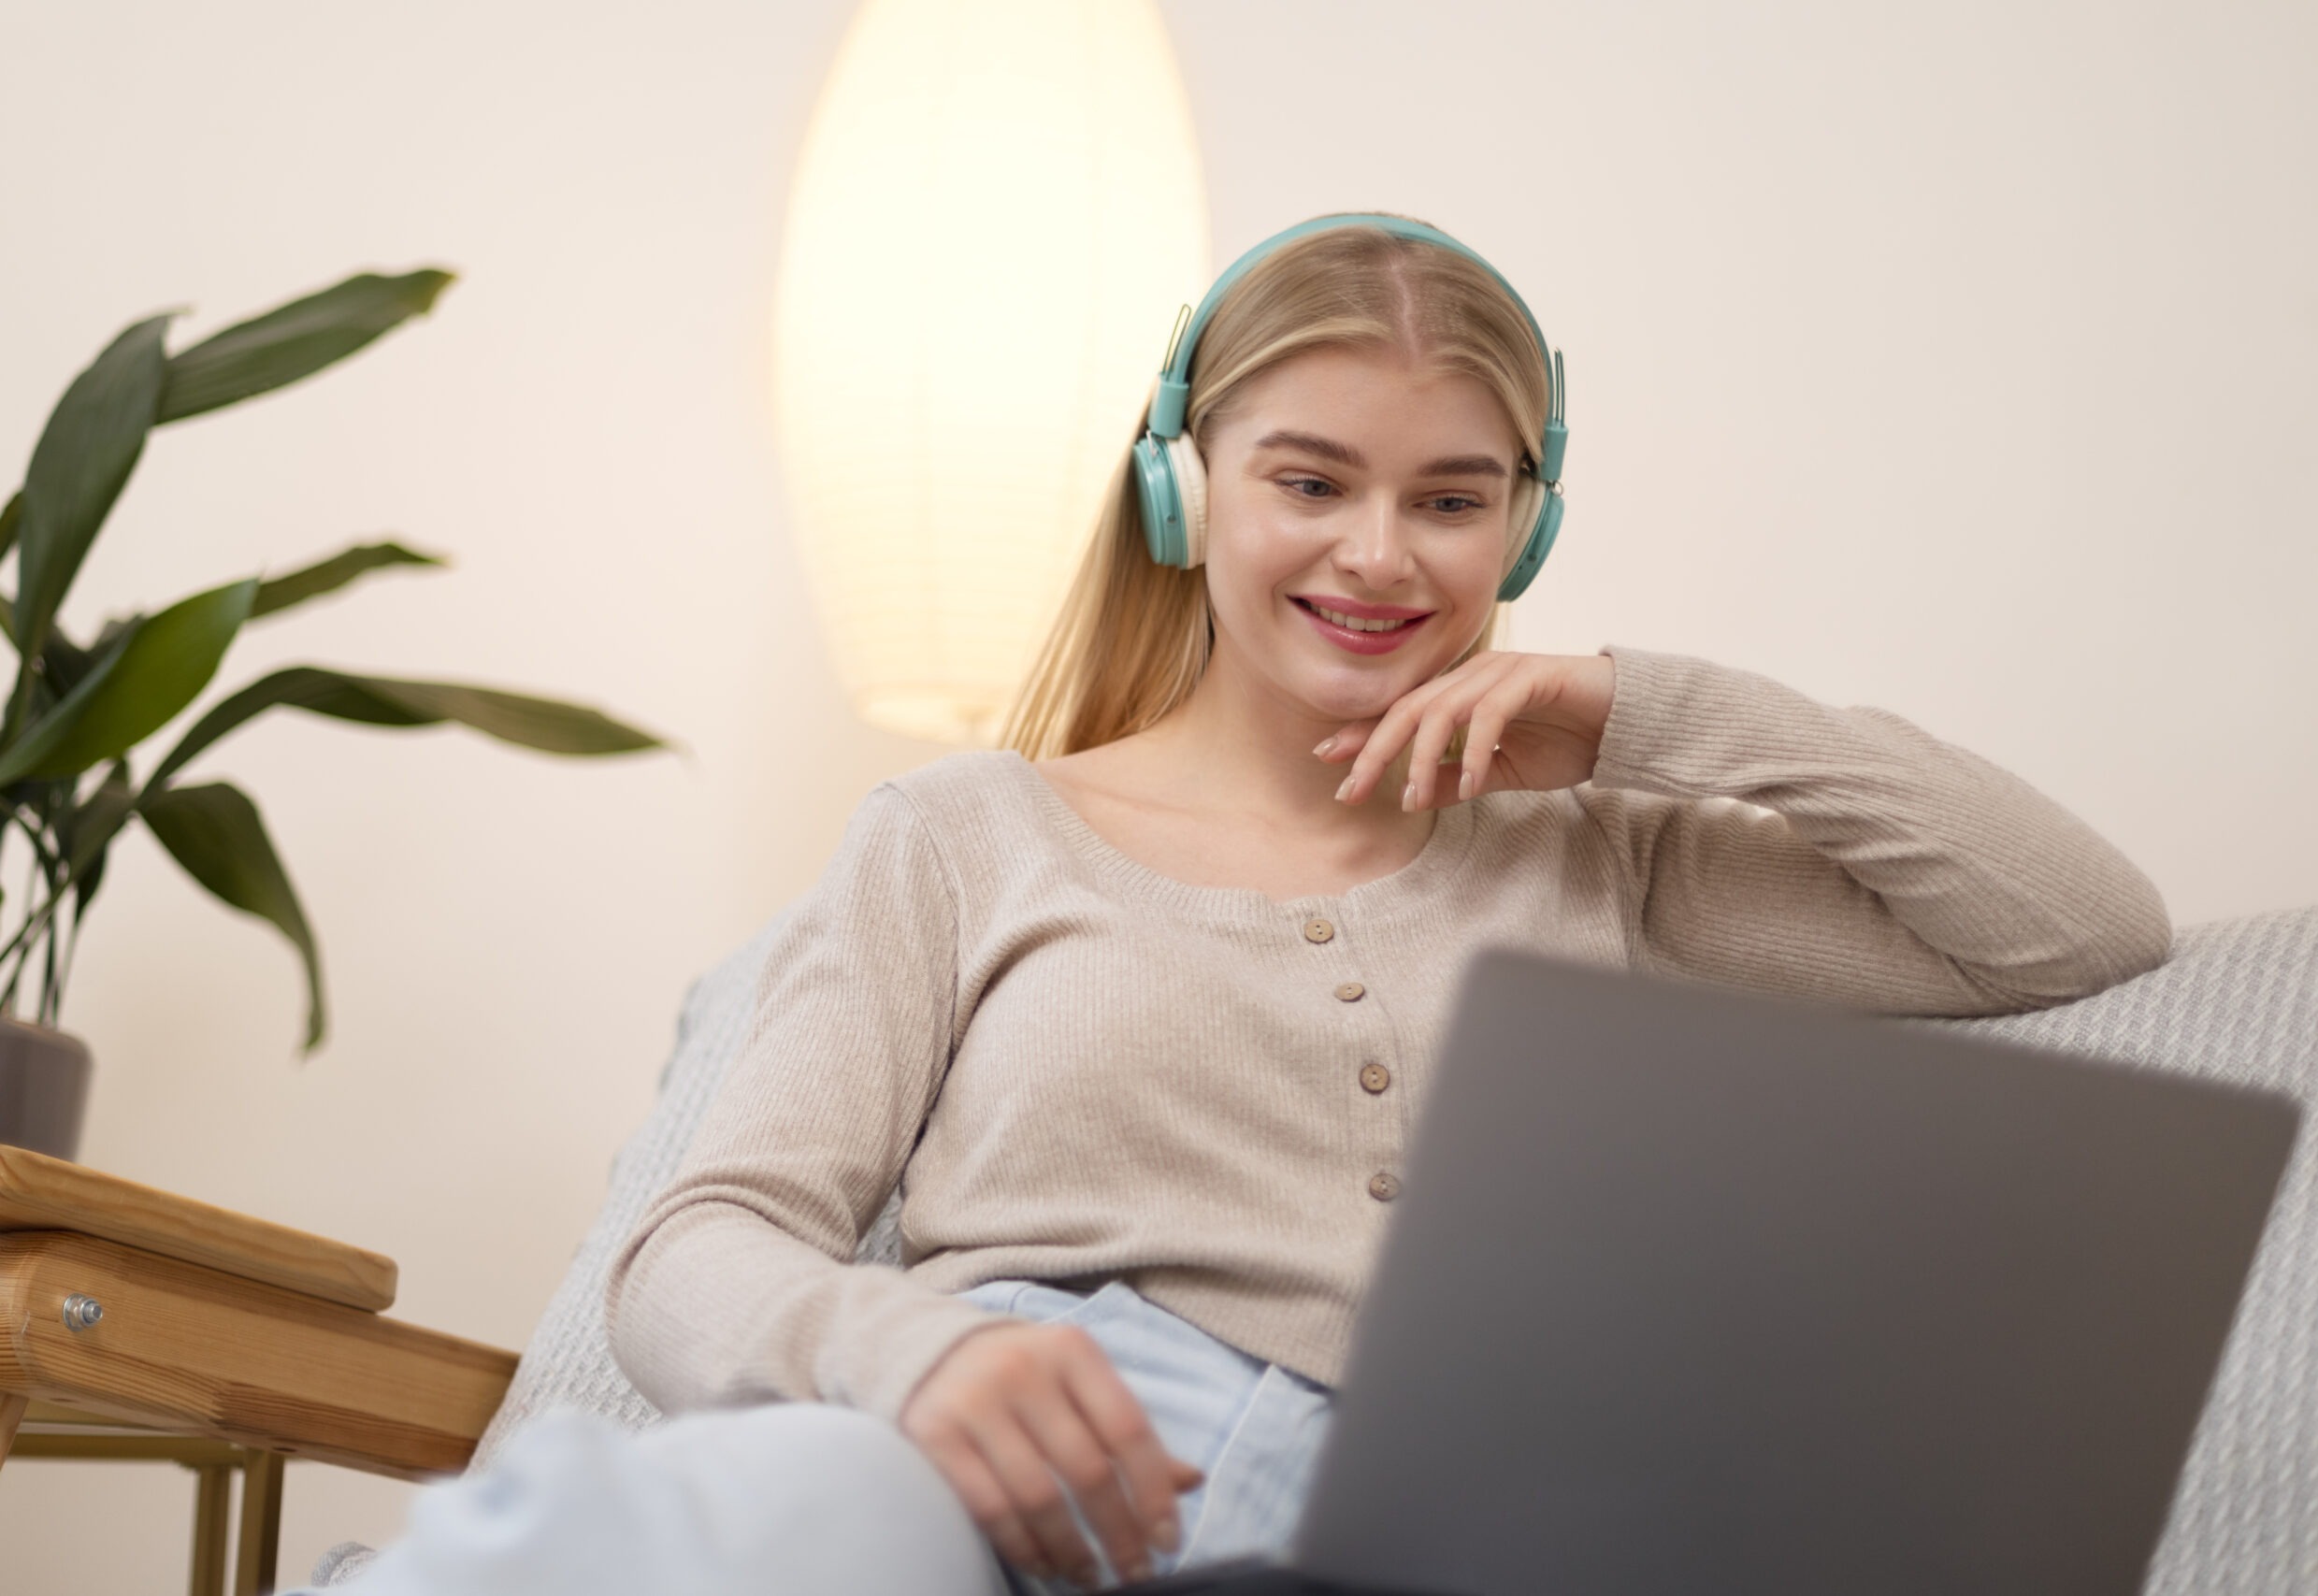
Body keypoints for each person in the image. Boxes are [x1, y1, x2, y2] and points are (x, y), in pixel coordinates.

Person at [321, 214, 2170, 1596]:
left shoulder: (1609, 857)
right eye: (1308, 479)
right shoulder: (963, 835)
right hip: (1016, 1475)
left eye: (1450, 499)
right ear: (1180, 485)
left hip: (1446, 1521)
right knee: (762, 1521)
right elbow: (693, 1243)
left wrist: (1646, 707)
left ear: (1518, 533)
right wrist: (917, 1348)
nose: (1379, 552)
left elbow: (2066, 923)